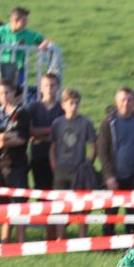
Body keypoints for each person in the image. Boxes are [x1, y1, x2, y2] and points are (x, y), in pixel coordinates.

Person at [97, 87, 134, 237]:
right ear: (117, 102)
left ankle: (131, 242)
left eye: (129, 100)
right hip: (114, 174)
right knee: (110, 211)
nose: (126, 103)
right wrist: (108, 176)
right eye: (122, 100)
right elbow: (103, 151)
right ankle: (106, 243)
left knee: (133, 212)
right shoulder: (108, 123)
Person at [49, 88, 97, 239]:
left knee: (82, 206)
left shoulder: (85, 123)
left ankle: (82, 236)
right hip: (61, 170)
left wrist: (88, 163)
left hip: (79, 170)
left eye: (76, 103)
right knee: (60, 206)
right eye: (71, 103)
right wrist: (54, 165)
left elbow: (93, 145)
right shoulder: (57, 123)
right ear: (63, 105)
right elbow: (52, 147)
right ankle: (60, 238)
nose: (74, 106)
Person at [0, 80, 31, 244]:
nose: (3, 96)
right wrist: (6, 137)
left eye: (6, 92)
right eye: (0, 94)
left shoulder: (22, 113)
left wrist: (3, 140)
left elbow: (21, 138)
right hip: (1, 164)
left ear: (14, 92)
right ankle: (5, 240)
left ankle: (20, 241)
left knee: (19, 204)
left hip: (18, 164)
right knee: (5, 206)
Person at [0, 7, 52, 88]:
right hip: (4, 66)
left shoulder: (28, 33)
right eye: (24, 21)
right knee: (5, 88)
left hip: (20, 68)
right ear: (15, 20)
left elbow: (44, 40)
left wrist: (44, 44)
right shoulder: (3, 30)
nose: (26, 23)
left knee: (18, 89)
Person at [26, 73, 64, 222]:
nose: (49, 88)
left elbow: (63, 132)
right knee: (41, 193)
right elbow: (30, 131)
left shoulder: (62, 108)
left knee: (57, 194)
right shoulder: (33, 108)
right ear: (41, 87)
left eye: (52, 85)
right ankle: (44, 226)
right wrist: (51, 131)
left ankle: (56, 230)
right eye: (46, 85)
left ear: (58, 87)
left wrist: (40, 134)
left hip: (58, 158)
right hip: (38, 156)